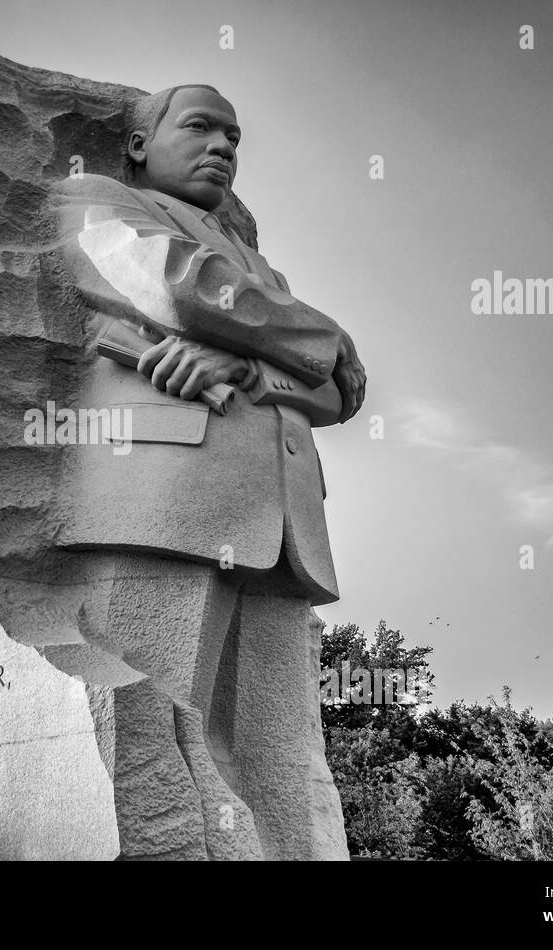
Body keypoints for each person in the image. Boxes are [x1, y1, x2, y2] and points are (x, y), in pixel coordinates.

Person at [45, 84, 365, 859]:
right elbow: (180, 289)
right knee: (149, 743)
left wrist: (251, 368)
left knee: (284, 764)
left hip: (283, 525)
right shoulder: (96, 199)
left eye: (235, 136)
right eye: (201, 127)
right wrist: (325, 335)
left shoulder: (264, 274)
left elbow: (341, 390)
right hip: (162, 496)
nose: (224, 146)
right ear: (139, 144)